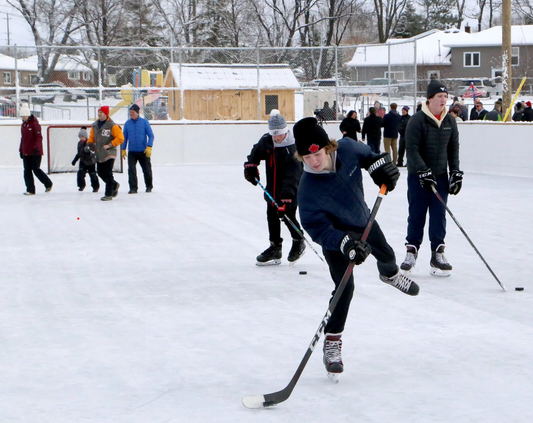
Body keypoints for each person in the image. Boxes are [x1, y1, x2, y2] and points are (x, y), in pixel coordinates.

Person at [293, 116, 419, 379]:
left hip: (363, 220)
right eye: (306, 157)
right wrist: (344, 244)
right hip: (336, 238)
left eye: (317, 153)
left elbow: (372, 156)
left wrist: (380, 169)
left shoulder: (348, 148)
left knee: (386, 253)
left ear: (328, 146)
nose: (314, 161)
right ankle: (332, 341)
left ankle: (390, 274)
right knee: (344, 288)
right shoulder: (306, 190)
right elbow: (315, 227)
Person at [402, 80, 462, 277]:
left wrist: (455, 172)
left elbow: (453, 149)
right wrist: (423, 171)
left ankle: (438, 254)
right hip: (418, 177)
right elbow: (411, 150)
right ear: (429, 98)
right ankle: (411, 251)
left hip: (440, 177)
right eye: (439, 96)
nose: (444, 100)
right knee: (417, 214)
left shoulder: (450, 120)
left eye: (445, 97)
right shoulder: (417, 120)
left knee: (439, 215)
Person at [243, 110, 306, 265]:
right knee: (271, 215)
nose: (277, 138)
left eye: (280, 134)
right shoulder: (267, 140)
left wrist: (286, 197)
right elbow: (256, 152)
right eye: (274, 134)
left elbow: (293, 176)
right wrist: (251, 166)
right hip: (272, 187)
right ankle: (275, 247)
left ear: (285, 131)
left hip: (290, 190)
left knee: (287, 215)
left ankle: (298, 240)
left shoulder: (292, 149)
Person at [88, 105, 124, 201]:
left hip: (109, 153)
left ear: (106, 114)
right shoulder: (95, 125)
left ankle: (108, 194)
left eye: (101, 112)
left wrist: (110, 144)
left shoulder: (112, 125)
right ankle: (114, 184)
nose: (99, 114)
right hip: (100, 153)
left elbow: (120, 138)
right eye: (99, 112)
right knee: (100, 173)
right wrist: (89, 143)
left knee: (108, 173)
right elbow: (92, 136)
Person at [18, 103, 53, 195]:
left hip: (35, 152)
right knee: (27, 171)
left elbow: (38, 137)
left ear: (28, 115)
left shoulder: (35, 124)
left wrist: (37, 147)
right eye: (22, 116)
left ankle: (48, 183)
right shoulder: (24, 125)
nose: (23, 118)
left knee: (36, 169)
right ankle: (30, 189)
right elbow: (23, 139)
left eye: (24, 116)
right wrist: (21, 149)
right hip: (26, 152)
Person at [122, 104, 154, 194]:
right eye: (130, 112)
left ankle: (149, 186)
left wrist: (149, 146)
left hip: (143, 151)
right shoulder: (127, 123)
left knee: (146, 169)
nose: (131, 114)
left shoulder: (144, 122)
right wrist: (123, 149)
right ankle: (133, 188)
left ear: (137, 112)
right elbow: (124, 137)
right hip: (132, 151)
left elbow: (151, 136)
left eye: (133, 112)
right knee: (131, 170)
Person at [71, 126, 99, 192]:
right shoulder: (79, 144)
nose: (81, 139)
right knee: (80, 173)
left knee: (92, 174)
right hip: (83, 161)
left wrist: (90, 151)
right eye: (80, 137)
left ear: (86, 137)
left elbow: (94, 151)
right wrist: (75, 160)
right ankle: (81, 186)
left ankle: (95, 187)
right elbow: (79, 153)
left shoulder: (90, 143)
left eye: (83, 137)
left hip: (90, 162)